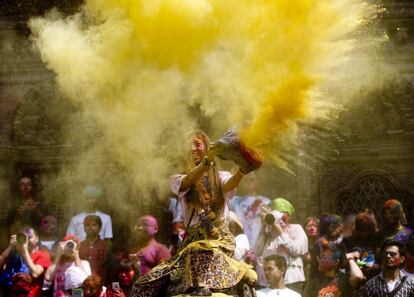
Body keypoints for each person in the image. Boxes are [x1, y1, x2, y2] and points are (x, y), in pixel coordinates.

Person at [131, 130, 256, 297]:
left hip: (218, 239)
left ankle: (233, 274)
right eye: (188, 146)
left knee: (199, 250)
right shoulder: (177, 179)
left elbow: (228, 185)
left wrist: (242, 170)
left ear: (206, 147)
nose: (192, 149)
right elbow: (188, 181)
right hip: (189, 243)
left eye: (197, 144)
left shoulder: (221, 176)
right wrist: (206, 162)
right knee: (144, 285)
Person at [255, 198, 308, 295]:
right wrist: (263, 227)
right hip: (268, 284)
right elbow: (257, 251)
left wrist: (279, 231)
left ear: (288, 215)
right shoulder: (268, 233)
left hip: (291, 281)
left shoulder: (296, 229)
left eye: (280, 215)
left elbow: (297, 250)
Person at [0, 226, 51, 297]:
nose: (26, 240)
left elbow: (35, 273)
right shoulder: (13, 254)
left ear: (37, 238)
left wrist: (24, 252)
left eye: (29, 237)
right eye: (22, 237)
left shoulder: (43, 255)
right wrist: (10, 247)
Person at [79, 215, 114, 283]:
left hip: (101, 286)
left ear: (99, 228)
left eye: (94, 225)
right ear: (84, 228)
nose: (90, 227)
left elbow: (112, 270)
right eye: (87, 225)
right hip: (81, 285)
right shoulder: (79, 246)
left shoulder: (106, 246)